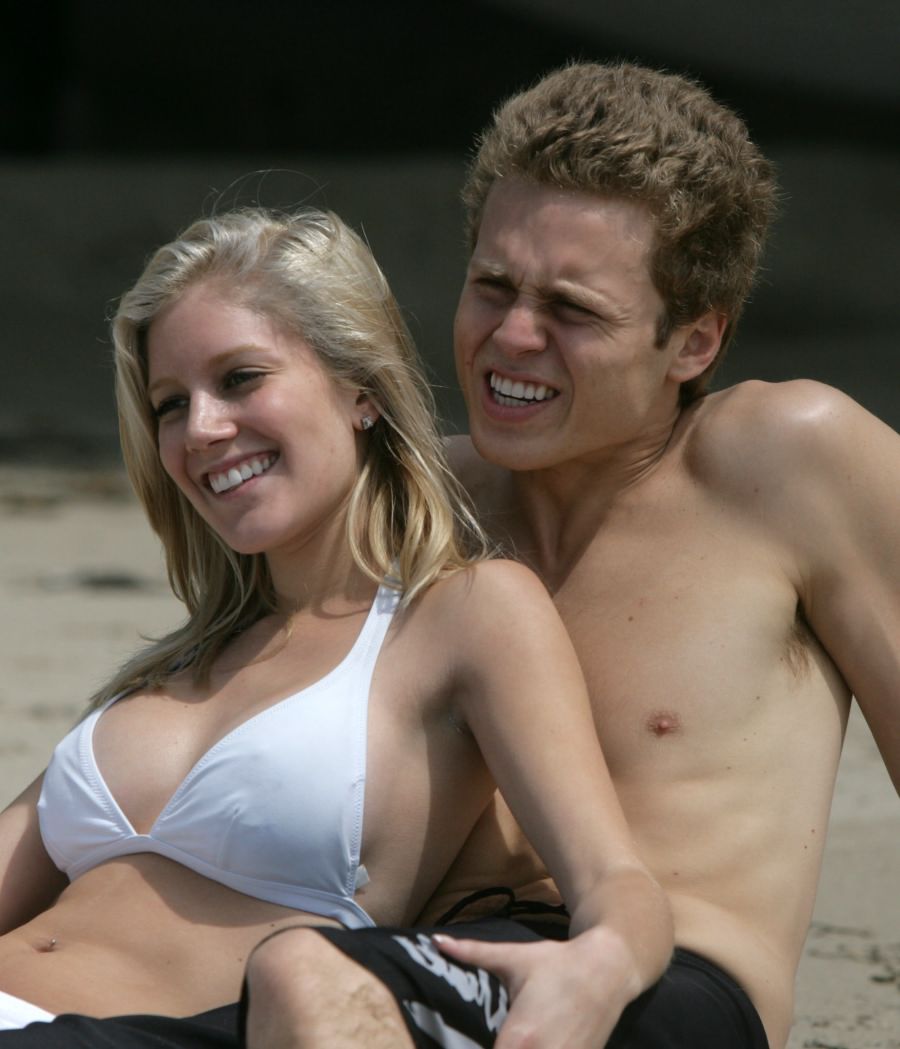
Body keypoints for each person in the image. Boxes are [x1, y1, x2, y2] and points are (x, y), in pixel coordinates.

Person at [238, 60, 900, 1049]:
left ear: (694, 342)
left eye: (573, 309)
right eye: (492, 286)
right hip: (394, 976)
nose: (513, 336)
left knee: (304, 975)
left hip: (670, 991)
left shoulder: (788, 463)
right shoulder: (414, 506)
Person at [0, 206, 672, 1046]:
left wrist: (595, 972)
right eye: (170, 403)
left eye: (241, 378)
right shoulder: (176, 665)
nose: (202, 428)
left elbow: (617, 882)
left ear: (361, 390)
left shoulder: (462, 615)